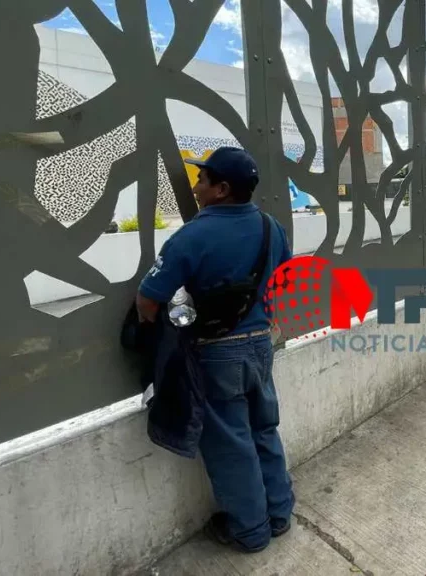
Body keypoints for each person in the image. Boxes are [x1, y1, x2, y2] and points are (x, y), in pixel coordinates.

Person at [136, 147, 295, 553]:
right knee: (264, 430)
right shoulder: (270, 227)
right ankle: (279, 514)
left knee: (231, 445)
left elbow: (148, 303)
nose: (196, 184)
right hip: (261, 346)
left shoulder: (192, 236)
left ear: (222, 189)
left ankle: (250, 531)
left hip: (217, 353)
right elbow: (283, 283)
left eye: (203, 179)